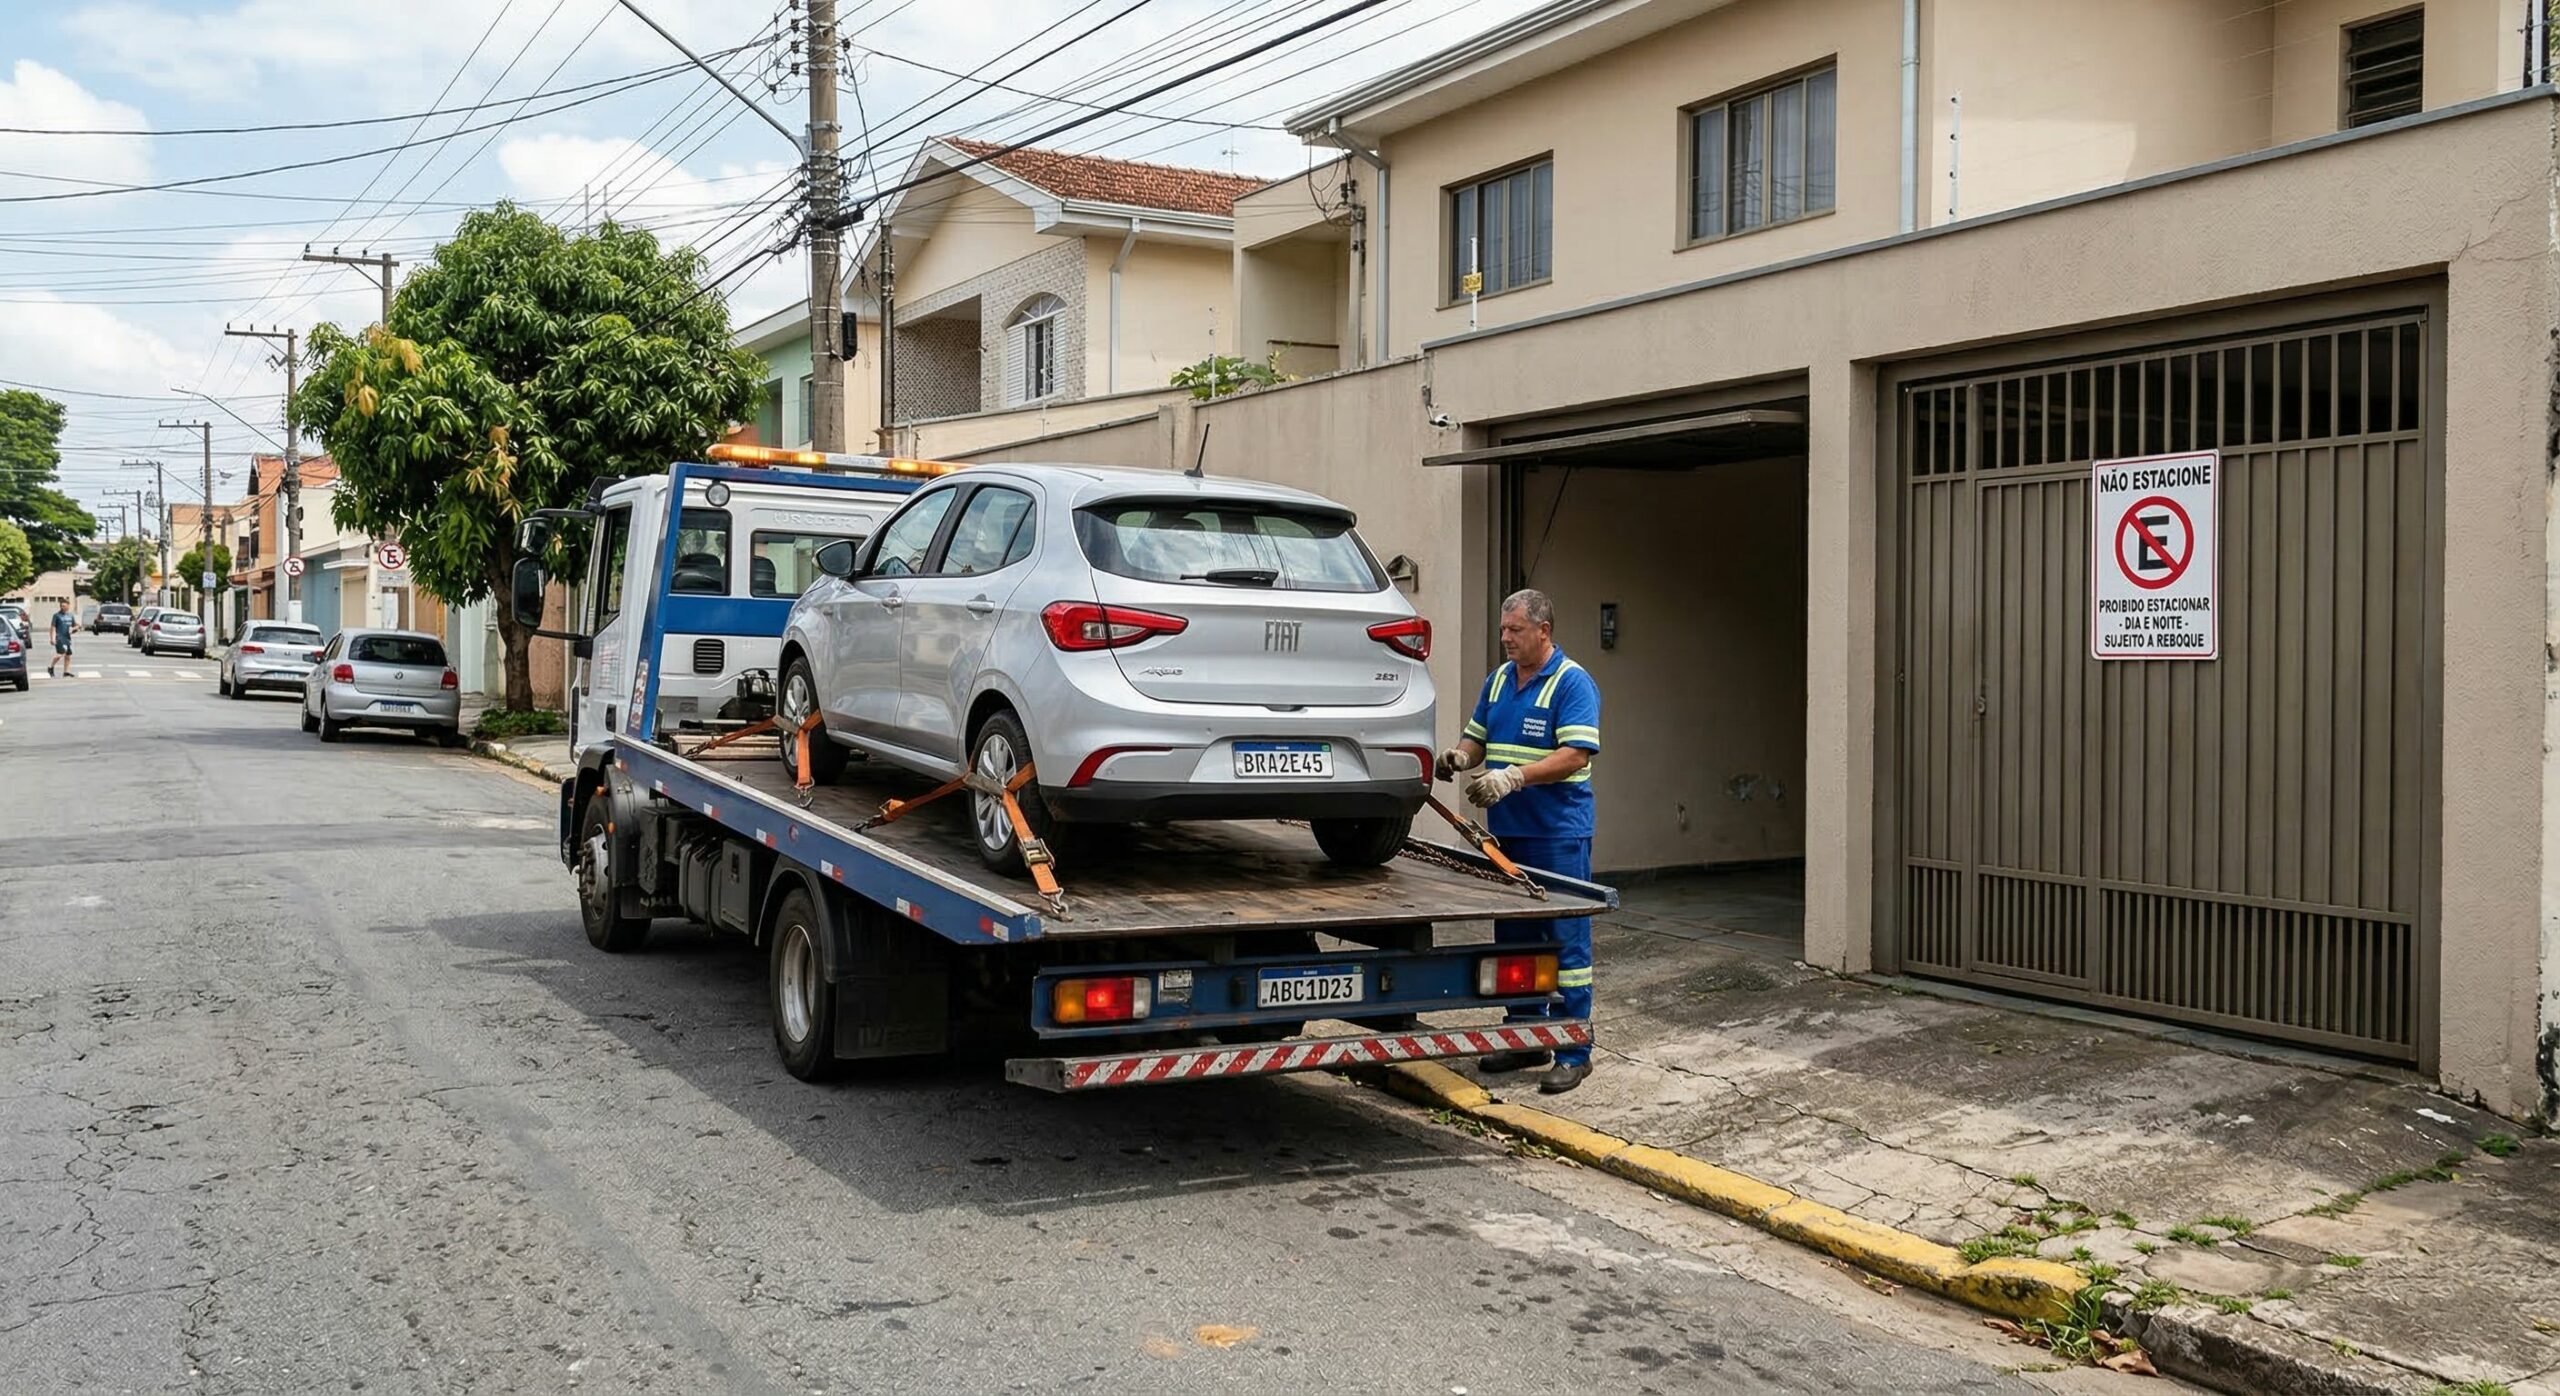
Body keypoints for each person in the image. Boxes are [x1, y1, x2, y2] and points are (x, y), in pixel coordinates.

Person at [1434, 588, 1601, 1094]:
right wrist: (1461, 756)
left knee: (1565, 941)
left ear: (1543, 631)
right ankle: (1526, 1035)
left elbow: (1575, 755)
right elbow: (1477, 736)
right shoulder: (1500, 680)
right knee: (1514, 940)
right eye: (1503, 629)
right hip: (1506, 836)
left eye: (1516, 630)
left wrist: (1513, 777)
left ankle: (1573, 1050)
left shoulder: (1572, 682)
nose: (1506, 638)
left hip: (1557, 834)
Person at [46, 599, 76, 678]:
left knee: (68, 655)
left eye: (64, 606)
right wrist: (52, 638)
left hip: (67, 638)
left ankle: (66, 672)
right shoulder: (56, 615)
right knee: (60, 654)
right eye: (61, 606)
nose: (62, 607)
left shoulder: (71, 616)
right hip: (59, 637)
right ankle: (50, 668)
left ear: (68, 606)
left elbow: (74, 626)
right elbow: (52, 628)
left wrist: (75, 628)